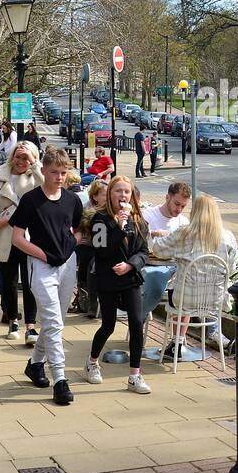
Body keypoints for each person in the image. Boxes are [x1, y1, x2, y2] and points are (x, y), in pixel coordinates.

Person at [10, 147, 82, 407]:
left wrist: (69, 247)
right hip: (40, 265)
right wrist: (42, 254)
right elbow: (17, 238)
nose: (60, 178)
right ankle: (60, 379)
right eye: (55, 173)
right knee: (52, 320)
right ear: (44, 171)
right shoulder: (31, 200)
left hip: (66, 263)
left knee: (57, 321)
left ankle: (36, 363)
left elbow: (78, 231)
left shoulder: (72, 200)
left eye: (64, 173)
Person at [84, 176, 152, 393]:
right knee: (109, 325)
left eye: (127, 192)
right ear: (110, 194)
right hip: (107, 278)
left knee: (135, 322)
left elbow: (143, 252)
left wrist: (131, 265)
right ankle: (93, 362)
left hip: (130, 278)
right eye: (118, 191)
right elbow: (100, 250)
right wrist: (118, 226)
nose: (123, 196)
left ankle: (134, 375)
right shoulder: (100, 219)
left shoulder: (138, 220)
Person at [149, 194, 238, 357]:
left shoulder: (184, 233)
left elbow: (158, 250)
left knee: (176, 290)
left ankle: (177, 342)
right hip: (214, 300)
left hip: (185, 298)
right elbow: (231, 267)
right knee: (183, 290)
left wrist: (164, 238)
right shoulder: (228, 237)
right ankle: (179, 343)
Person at [0, 140, 43, 344]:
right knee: (8, 282)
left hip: (30, 236)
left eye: (26, 158)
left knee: (31, 281)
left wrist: (35, 166)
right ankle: (13, 320)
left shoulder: (36, 177)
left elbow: (49, 193)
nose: (21, 161)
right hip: (5, 234)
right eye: (18, 156)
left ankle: (31, 326)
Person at [139, 182, 192, 323]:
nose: (179, 209)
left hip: (176, 266)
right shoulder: (148, 215)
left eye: (183, 206)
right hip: (153, 264)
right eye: (177, 204)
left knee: (197, 283)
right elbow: (139, 241)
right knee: (156, 277)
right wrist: (152, 234)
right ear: (167, 197)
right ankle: (138, 318)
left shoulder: (183, 222)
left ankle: (210, 330)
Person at [72, 179, 109, 317]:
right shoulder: (87, 209)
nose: (107, 197)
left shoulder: (111, 209)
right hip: (86, 244)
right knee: (89, 261)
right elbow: (84, 232)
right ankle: (87, 300)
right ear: (95, 196)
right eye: (104, 194)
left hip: (100, 246)